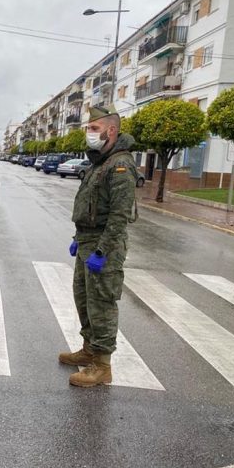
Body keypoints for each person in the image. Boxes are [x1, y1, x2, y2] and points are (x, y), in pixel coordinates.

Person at [59, 105, 137, 387]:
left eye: (94, 129)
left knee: (102, 303)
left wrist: (102, 251)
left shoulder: (120, 165)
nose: (89, 134)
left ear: (111, 130)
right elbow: (92, 205)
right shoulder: (100, 161)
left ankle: (102, 366)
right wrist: (77, 239)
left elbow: (119, 215)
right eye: (89, 129)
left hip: (104, 246)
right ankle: (90, 349)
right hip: (87, 241)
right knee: (83, 297)